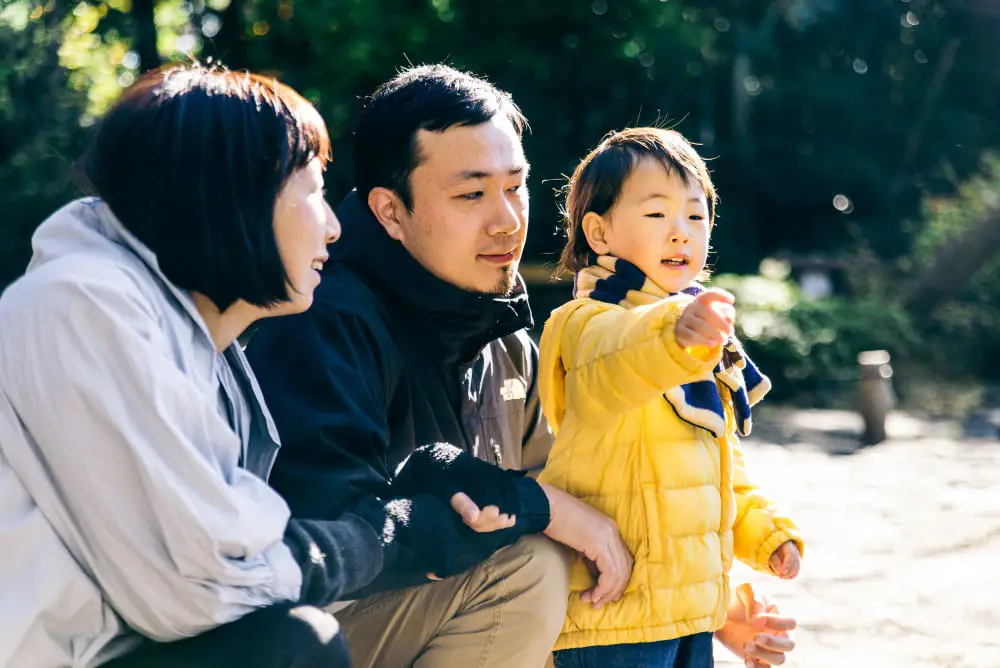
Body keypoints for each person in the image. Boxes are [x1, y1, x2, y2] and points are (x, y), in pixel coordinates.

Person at [247, 64, 800, 668]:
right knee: (528, 569)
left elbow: (592, 497)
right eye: (471, 194)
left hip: (431, 610)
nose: (508, 220)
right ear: (389, 211)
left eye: (515, 186)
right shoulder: (324, 320)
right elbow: (334, 535)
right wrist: (539, 508)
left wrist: (695, 610)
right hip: (310, 628)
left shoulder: (495, 328)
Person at [0, 63, 469, 667]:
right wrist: (376, 541)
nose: (331, 226)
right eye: (314, 192)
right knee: (293, 645)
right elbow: (201, 587)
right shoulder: (81, 305)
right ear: (236, 196)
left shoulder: (193, 336)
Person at [535, 126, 805, 668]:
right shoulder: (585, 324)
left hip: (688, 615)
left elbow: (718, 471)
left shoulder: (695, 336)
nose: (681, 232)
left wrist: (767, 534)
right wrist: (674, 331)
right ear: (599, 231)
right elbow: (617, 358)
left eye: (696, 215)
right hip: (607, 622)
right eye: (657, 215)